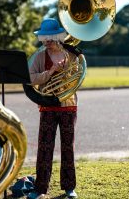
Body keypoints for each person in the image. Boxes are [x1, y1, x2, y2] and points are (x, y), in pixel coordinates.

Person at [27, 18, 79, 199]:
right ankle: (39, 188)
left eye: (50, 38)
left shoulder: (71, 55)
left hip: (68, 105)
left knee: (68, 148)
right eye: (44, 39)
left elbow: (78, 78)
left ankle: (69, 187)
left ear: (58, 37)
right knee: (45, 147)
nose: (47, 42)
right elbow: (31, 78)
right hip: (48, 106)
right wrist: (49, 73)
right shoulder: (39, 56)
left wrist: (67, 72)